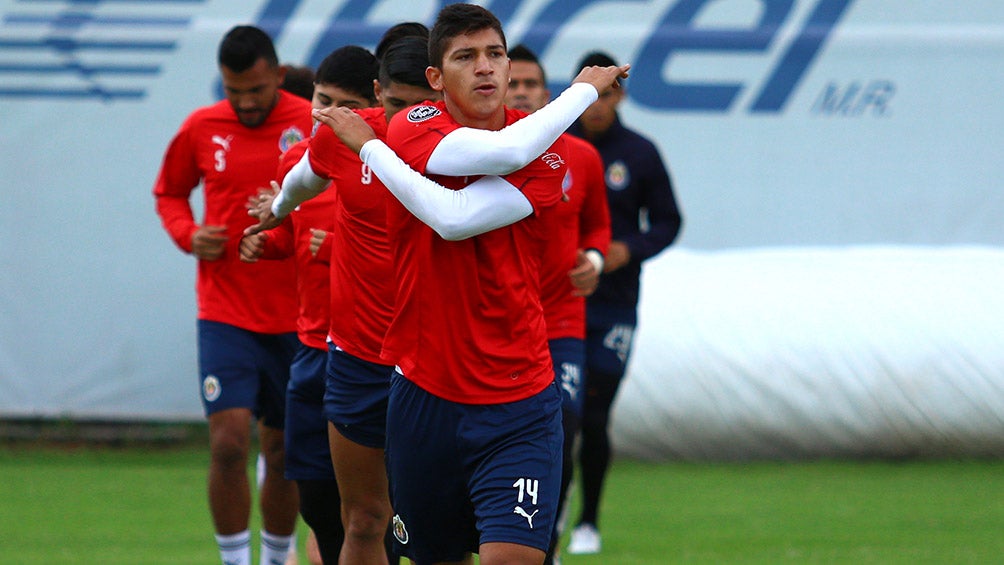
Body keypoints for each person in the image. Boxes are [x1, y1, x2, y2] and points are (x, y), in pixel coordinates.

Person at [309, 5, 628, 564]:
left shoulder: (546, 152)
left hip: (519, 396)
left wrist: (369, 147)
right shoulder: (413, 124)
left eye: (495, 54)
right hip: (424, 393)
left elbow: (457, 214)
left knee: (515, 558)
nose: (485, 68)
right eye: (465, 57)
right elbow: (456, 201)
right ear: (435, 79)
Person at [245, 34, 439, 565]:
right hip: (349, 355)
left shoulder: (463, 147)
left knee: (428, 529)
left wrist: (579, 97)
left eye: (420, 107)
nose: (405, 122)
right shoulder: (338, 142)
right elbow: (299, 183)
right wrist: (276, 214)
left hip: (434, 363)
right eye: (395, 105)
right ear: (379, 95)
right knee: (355, 519)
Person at [152, 25, 312, 565]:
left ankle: (274, 557)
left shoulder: (310, 121)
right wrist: (188, 235)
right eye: (232, 90)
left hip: (298, 314)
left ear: (279, 77)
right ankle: (234, 560)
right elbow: (170, 192)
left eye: (256, 91)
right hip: (225, 312)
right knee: (227, 442)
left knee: (282, 448)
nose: (244, 102)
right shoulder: (201, 126)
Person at [241, 45, 382, 565]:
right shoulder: (299, 160)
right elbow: (290, 236)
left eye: (341, 106)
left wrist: (341, 245)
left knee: (375, 511)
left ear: (371, 108)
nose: (324, 116)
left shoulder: (387, 165)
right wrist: (263, 240)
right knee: (316, 500)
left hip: (373, 354)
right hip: (311, 348)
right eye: (319, 100)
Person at [564, 50, 683, 556]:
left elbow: (668, 222)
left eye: (607, 94)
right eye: (591, 94)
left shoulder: (639, 153)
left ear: (621, 95)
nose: (597, 105)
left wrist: (627, 250)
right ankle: (547, 512)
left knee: (594, 414)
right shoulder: (553, 146)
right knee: (559, 415)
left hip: (613, 304)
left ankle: (588, 520)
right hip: (560, 300)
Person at [505, 43, 611, 565]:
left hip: (562, 318)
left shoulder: (583, 157)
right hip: (499, 322)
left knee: (564, 422)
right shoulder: (480, 152)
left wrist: (592, 257)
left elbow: (597, 225)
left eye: (531, 85)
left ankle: (545, 540)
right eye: (513, 84)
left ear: (548, 95)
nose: (522, 92)